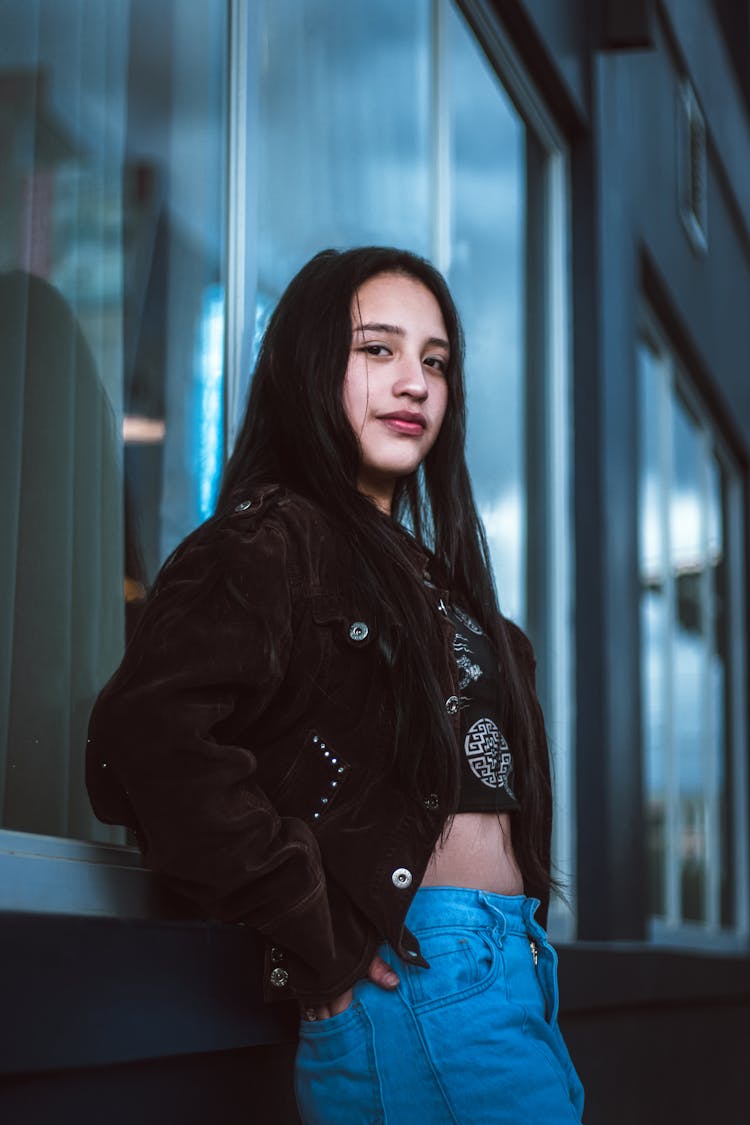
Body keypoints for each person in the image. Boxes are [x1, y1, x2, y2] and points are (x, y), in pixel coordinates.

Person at [86, 246, 585, 1123]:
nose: (416, 382)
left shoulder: (453, 590)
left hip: (510, 971)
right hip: (415, 983)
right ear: (311, 365)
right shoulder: (273, 542)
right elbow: (151, 734)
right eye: (378, 350)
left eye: (434, 361)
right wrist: (315, 929)